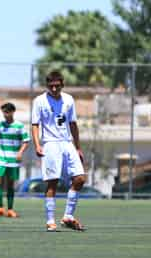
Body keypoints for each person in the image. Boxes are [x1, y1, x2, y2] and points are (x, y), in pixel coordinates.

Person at [31, 71, 86, 232]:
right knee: (52, 183)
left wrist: (78, 147)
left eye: (57, 85)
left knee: (80, 179)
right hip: (50, 144)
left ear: (62, 85)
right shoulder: (39, 101)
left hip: (67, 143)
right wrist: (37, 145)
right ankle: (50, 221)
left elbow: (73, 124)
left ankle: (68, 216)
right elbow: (35, 124)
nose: (54, 88)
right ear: (47, 85)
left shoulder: (69, 99)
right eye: (51, 86)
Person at [0, 103, 29, 218]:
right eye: (4, 112)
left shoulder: (19, 126)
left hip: (13, 159)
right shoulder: (0, 125)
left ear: (13, 112)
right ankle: (0, 208)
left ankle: (10, 209)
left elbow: (26, 141)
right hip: (1, 157)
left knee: (10, 185)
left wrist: (20, 152)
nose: (5, 114)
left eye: (7, 112)